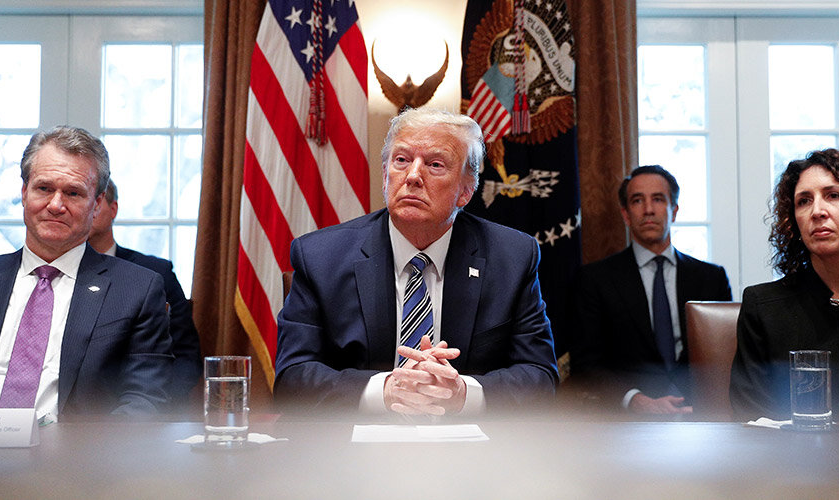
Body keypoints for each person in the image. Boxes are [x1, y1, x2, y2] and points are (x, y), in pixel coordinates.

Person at [274, 108, 558, 415]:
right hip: (358, 439)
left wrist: (463, 394)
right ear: (385, 174)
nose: (412, 176)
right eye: (401, 160)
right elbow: (292, 379)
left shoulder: (512, 258)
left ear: (466, 191)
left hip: (466, 441)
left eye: (435, 165)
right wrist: (385, 391)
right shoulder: (320, 257)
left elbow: (540, 377)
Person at [0, 126, 173, 420]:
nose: (56, 205)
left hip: (74, 448)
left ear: (96, 205)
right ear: (24, 193)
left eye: (73, 193)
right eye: (44, 189)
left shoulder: (136, 290)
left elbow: (145, 400)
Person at [730, 149, 839, 422]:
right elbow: (752, 418)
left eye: (833, 195)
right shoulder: (763, 308)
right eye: (804, 201)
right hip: (793, 451)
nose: (817, 211)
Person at [573, 165, 731, 415]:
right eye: (637, 200)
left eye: (658, 199)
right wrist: (635, 400)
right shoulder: (595, 280)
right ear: (626, 214)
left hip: (700, 413)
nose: (648, 209)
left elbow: (726, 358)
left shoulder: (712, 278)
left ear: (674, 211)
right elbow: (586, 364)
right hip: (629, 420)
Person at [88, 179, 202, 410]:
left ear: (113, 209)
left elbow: (186, 356)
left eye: (94, 202)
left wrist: (157, 404)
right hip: (82, 411)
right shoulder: (52, 275)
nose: (85, 210)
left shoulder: (155, 272)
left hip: (152, 406)